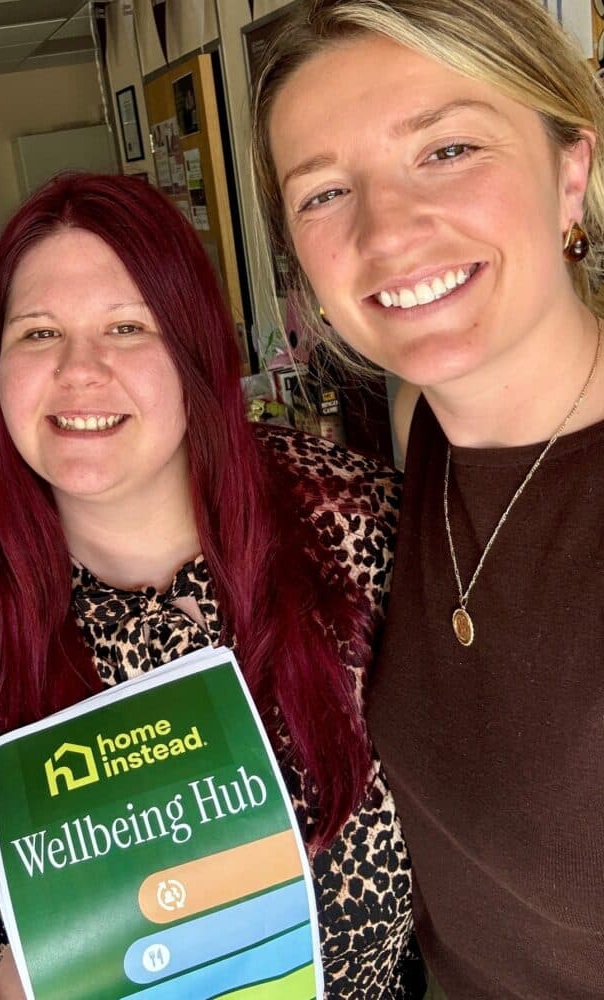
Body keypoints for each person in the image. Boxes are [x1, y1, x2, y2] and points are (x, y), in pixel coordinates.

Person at [0, 172, 421, 997]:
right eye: (39, 333)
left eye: (127, 327)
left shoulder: (352, 520)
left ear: (195, 349)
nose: (79, 371)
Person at [252, 1, 604, 996]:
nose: (387, 232)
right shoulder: (420, 430)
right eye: (325, 192)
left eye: (448, 150)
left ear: (569, 172)